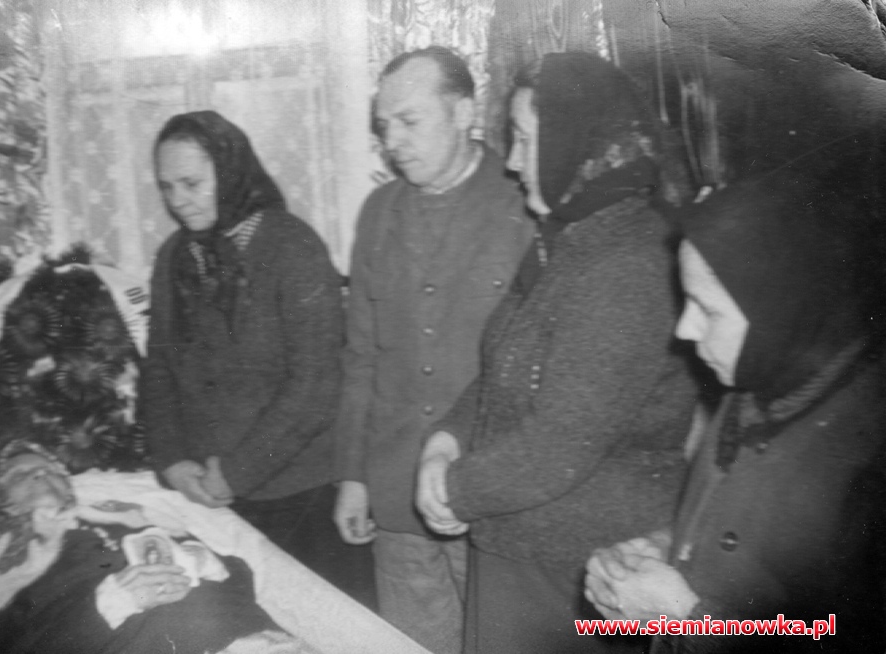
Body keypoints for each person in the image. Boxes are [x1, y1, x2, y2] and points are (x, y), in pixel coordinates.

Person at [414, 52, 698, 653]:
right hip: (524, 542)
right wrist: (447, 439)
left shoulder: (629, 264)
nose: (513, 163)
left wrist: (454, 490)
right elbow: (503, 366)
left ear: (576, 142)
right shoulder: (569, 239)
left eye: (523, 140)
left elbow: (559, 444)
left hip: (574, 568)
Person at [584, 157, 886, 653]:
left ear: (781, 311)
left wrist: (683, 616)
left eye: (708, 310)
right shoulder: (755, 390)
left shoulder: (866, 459)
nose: (684, 330)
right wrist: (670, 546)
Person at [333, 46, 534, 653]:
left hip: (489, 504)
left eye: (409, 121)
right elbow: (361, 357)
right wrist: (353, 476)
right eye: (383, 125)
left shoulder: (525, 206)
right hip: (396, 502)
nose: (391, 141)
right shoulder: (377, 215)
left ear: (465, 113)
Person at [140, 110, 375, 609]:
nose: (178, 201)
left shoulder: (293, 248)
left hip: (301, 499)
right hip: (211, 500)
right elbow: (158, 371)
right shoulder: (173, 258)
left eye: (191, 183)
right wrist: (172, 461)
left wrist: (238, 472)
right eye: (167, 187)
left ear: (230, 173)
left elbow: (315, 387)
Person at [0, 441, 313, 654]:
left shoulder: (123, 516)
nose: (43, 474)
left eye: (52, 469)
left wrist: (205, 561)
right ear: (3, 503)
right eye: (23, 474)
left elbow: (242, 577)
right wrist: (112, 602)